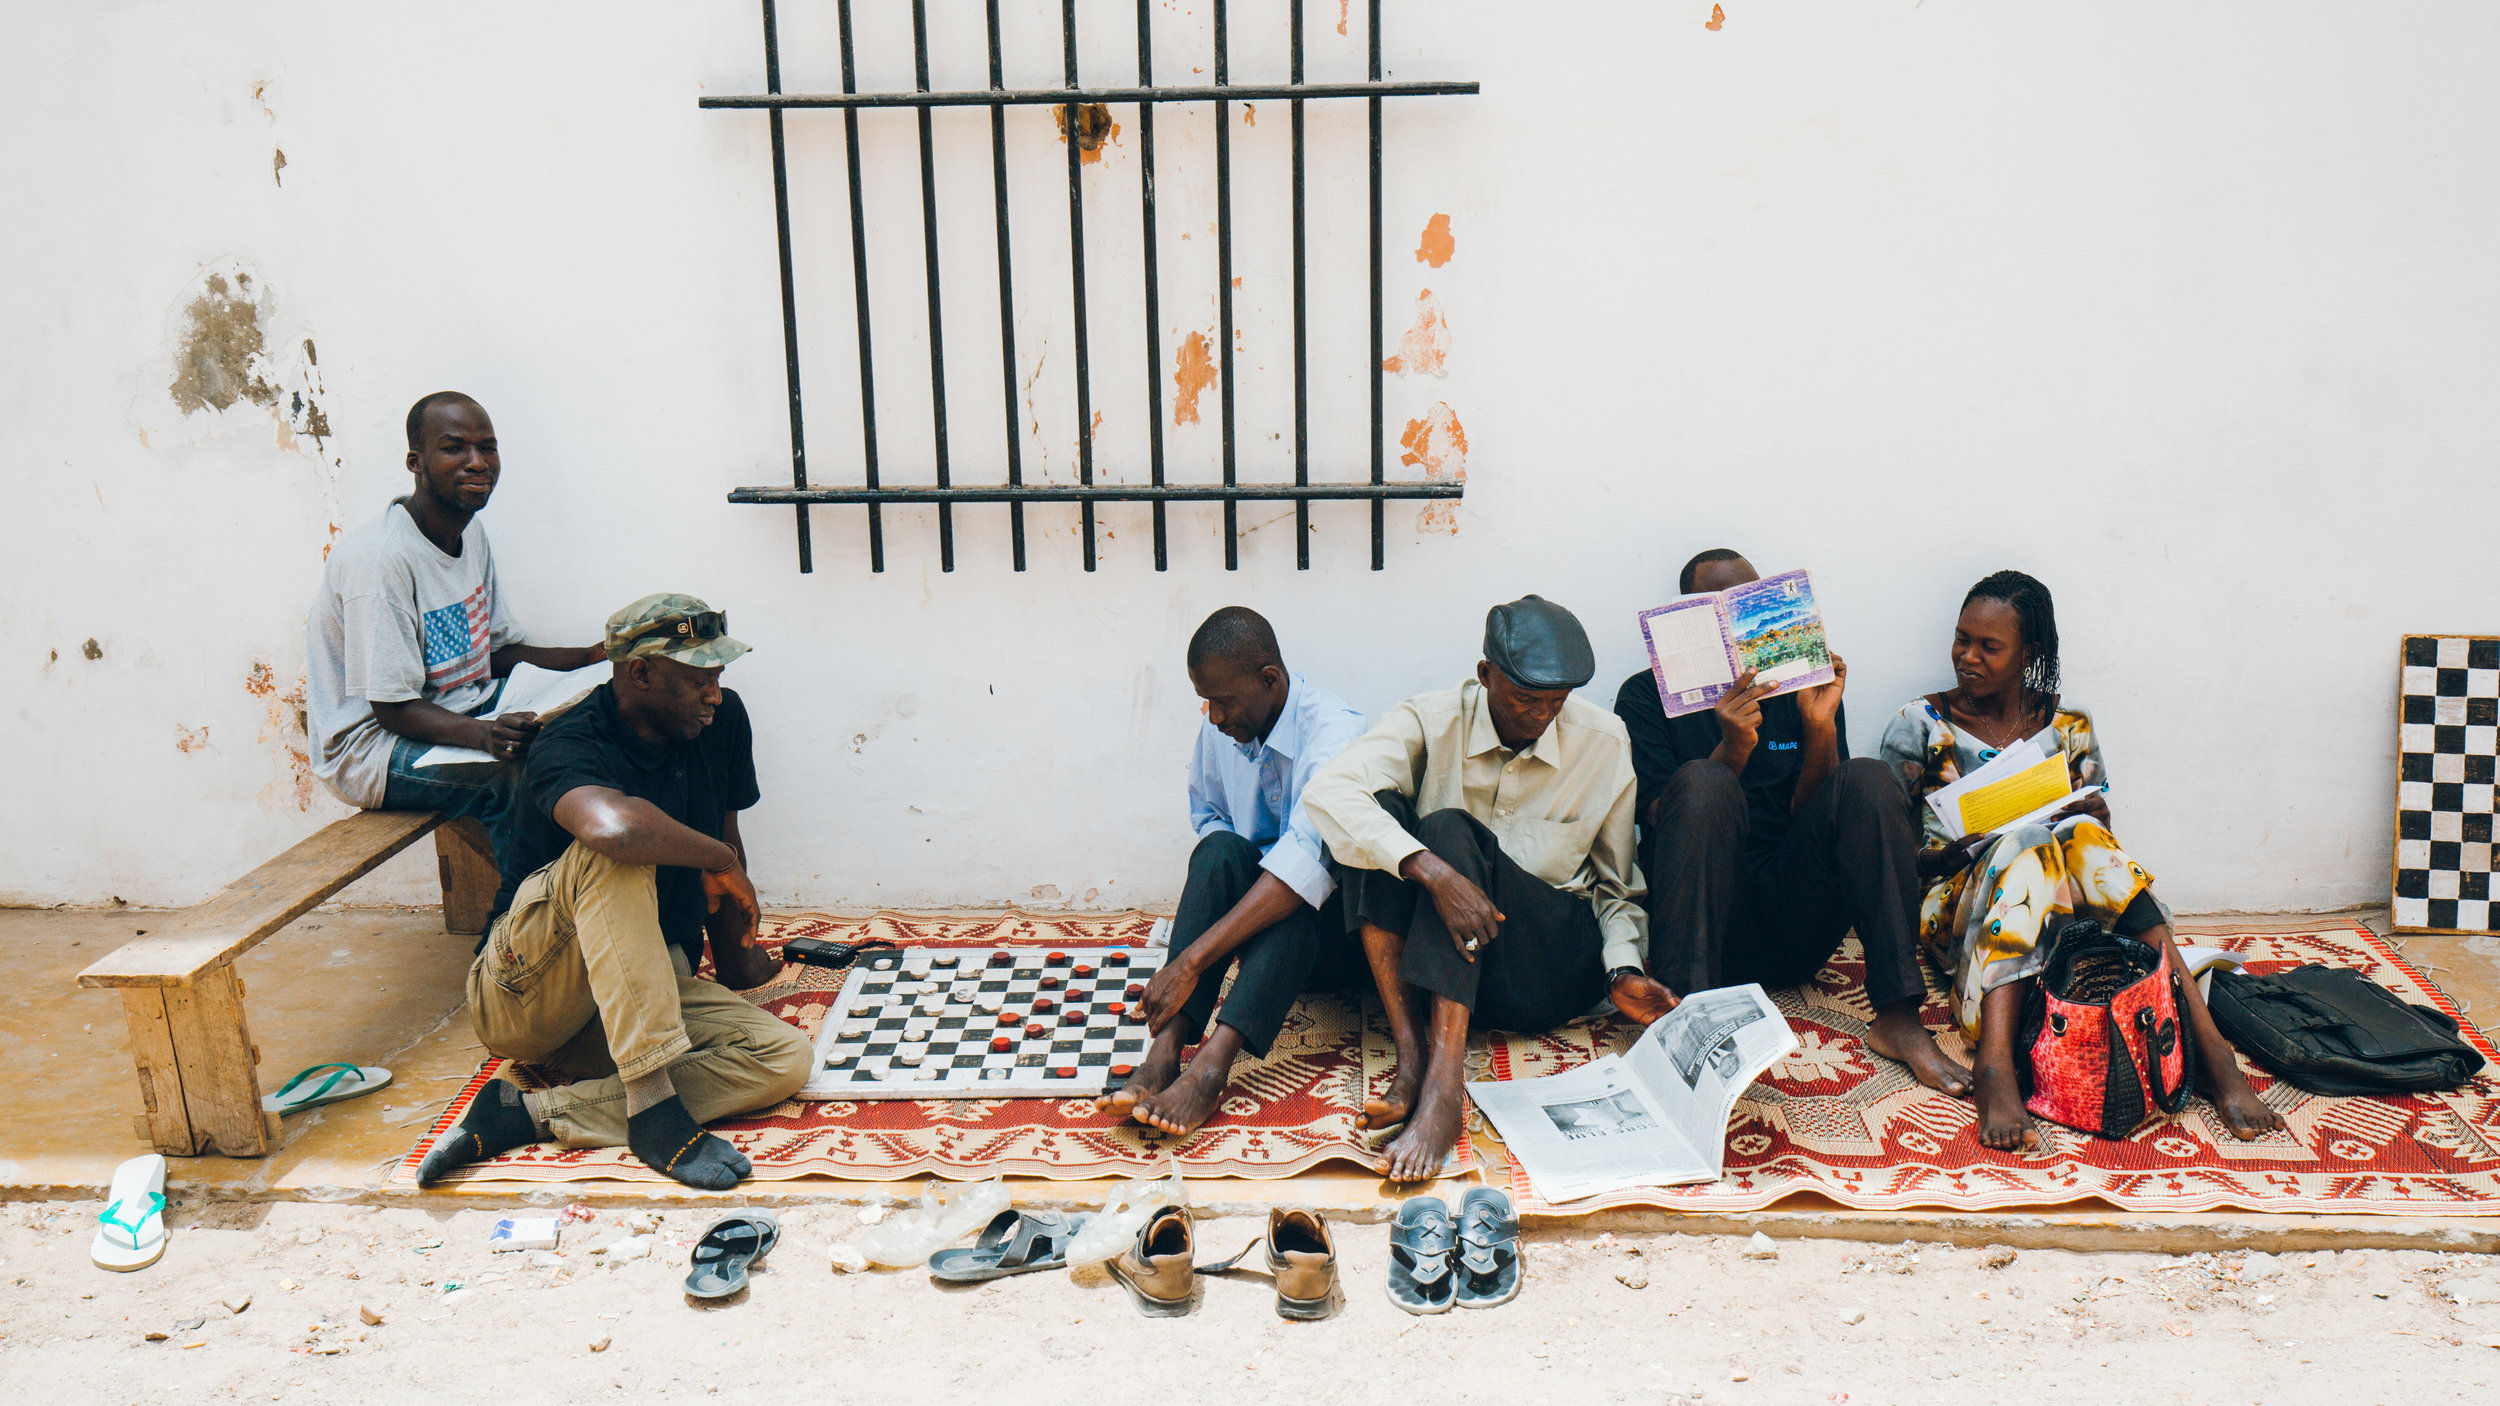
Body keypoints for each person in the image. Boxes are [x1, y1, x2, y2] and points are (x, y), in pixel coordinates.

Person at [1877, 570, 2284, 1150]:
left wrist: (2091, 814)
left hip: (2063, 909)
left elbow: (2097, 850)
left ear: (2029, 653)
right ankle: (1996, 1065)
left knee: (2075, 836)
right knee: (2025, 845)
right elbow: (1890, 856)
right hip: (1962, 907)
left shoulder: (2071, 725)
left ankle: (2213, 1052)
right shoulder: (1918, 725)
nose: (1968, 657)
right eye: (1962, 639)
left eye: (1990, 647)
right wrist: (1963, 849)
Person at [416, 594, 808, 1190]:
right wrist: (721, 860)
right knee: (618, 854)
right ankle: (651, 1104)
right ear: (641, 672)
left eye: (719, 676)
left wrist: (736, 959)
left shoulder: (721, 721)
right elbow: (619, 831)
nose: (715, 695)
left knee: (782, 1059)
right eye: (698, 678)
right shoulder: (568, 743)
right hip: (528, 997)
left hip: (628, 996)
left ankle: (522, 1115)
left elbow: (725, 834)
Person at [1305, 596, 1676, 1181]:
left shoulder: (1603, 741)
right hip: (1445, 963)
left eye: (1556, 702)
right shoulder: (1431, 719)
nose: (1541, 716)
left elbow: (1614, 886)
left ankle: (1444, 1089)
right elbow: (1330, 793)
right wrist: (1430, 869)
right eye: (1526, 699)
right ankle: (1414, 1057)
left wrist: (1622, 971)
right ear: (1485, 675)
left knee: (1449, 826)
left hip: (1541, 967)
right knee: (1378, 818)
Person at [1616, 549, 1967, 1096]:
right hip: (1699, 931)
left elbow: (1824, 812)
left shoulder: (1803, 683)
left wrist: (1819, 724)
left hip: (1790, 925)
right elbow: (1663, 824)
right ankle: (1683, 1022)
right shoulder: (1644, 696)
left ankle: (1898, 1015)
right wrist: (1732, 748)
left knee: (1870, 778)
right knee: (1704, 783)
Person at [305, 392, 603, 874]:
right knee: (514, 778)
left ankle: (598, 901)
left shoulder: (468, 533)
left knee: (603, 713)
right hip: (374, 748)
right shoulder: (381, 560)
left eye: (487, 447)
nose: (477, 463)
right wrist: (485, 736)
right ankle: (522, 936)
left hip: (459, 709)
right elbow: (392, 707)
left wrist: (591, 658)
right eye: (455, 448)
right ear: (415, 462)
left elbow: (495, 654)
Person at [1098, 608, 1369, 1137]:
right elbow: (1211, 817)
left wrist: (1191, 962)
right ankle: (1168, 1049)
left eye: (1223, 702)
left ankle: (1211, 1067)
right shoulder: (1223, 723)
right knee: (1219, 851)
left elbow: (1306, 866)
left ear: (1270, 680)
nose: (1214, 718)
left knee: (1296, 895)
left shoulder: (1336, 734)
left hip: (1330, 934)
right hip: (1261, 938)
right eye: (1206, 702)